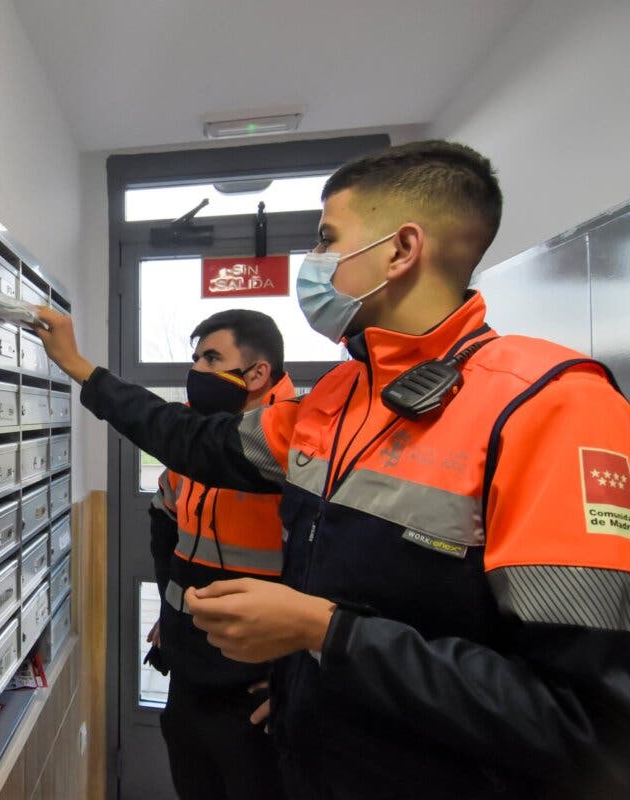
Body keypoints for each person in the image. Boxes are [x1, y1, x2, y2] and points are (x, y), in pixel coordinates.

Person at [34, 140, 630, 799]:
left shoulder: (551, 406)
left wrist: (322, 632)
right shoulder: (338, 400)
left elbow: (585, 725)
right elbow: (192, 440)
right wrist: (84, 371)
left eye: (326, 239)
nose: (312, 264)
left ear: (402, 250)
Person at [146, 310, 293, 800]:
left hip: (258, 687)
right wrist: (169, 616)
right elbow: (164, 521)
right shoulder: (195, 439)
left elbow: (338, 574)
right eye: (196, 359)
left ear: (257, 373)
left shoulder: (298, 445)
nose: (197, 372)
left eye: (212, 359)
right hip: (189, 673)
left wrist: (301, 680)